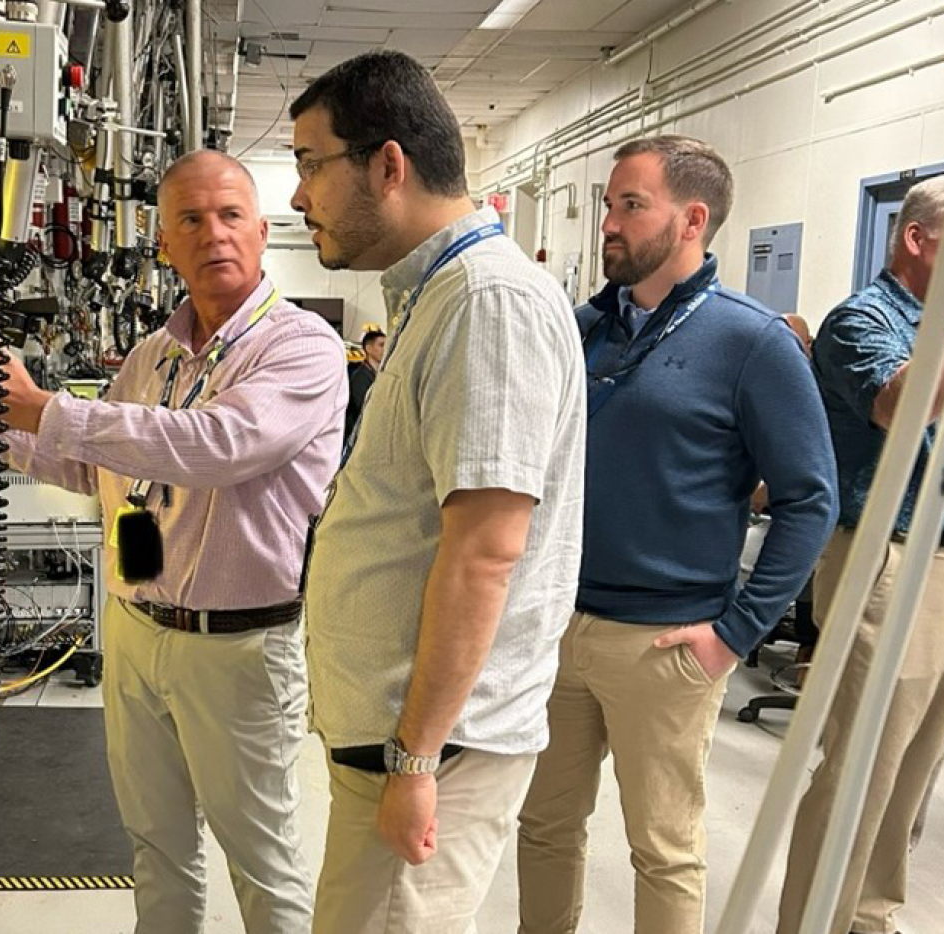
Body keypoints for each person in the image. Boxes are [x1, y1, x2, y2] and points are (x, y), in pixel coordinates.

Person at [0, 149, 348, 934]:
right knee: (155, 845)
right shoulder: (154, 356)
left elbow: (217, 444)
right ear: (164, 244)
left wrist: (40, 407)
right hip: (138, 636)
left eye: (231, 214)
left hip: (238, 652)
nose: (214, 234)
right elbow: (85, 462)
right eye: (190, 219)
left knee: (262, 862)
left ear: (260, 227)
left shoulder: (299, 347)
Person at [289, 50, 587, 934]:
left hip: (432, 750)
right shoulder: (439, 295)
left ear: (388, 164)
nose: (299, 196)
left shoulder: (487, 302)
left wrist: (416, 762)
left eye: (310, 165)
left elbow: (486, 552)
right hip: (407, 743)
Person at [514, 135, 838, 934]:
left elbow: (810, 499)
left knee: (662, 849)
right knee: (545, 828)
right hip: (557, 628)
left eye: (632, 205)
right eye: (606, 206)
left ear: (693, 220)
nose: (609, 225)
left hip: (665, 646)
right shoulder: (582, 329)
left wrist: (735, 634)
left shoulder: (752, 341)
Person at [777, 173, 944, 934]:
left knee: (917, 769)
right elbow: (901, 403)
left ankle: (868, 915)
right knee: (864, 763)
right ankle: (815, 921)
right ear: (918, 239)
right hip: (894, 559)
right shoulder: (865, 318)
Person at [344, 328, 384, 441]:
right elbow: (364, 409)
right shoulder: (360, 377)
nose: (385, 349)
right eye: (381, 345)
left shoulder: (379, 374)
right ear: (369, 348)